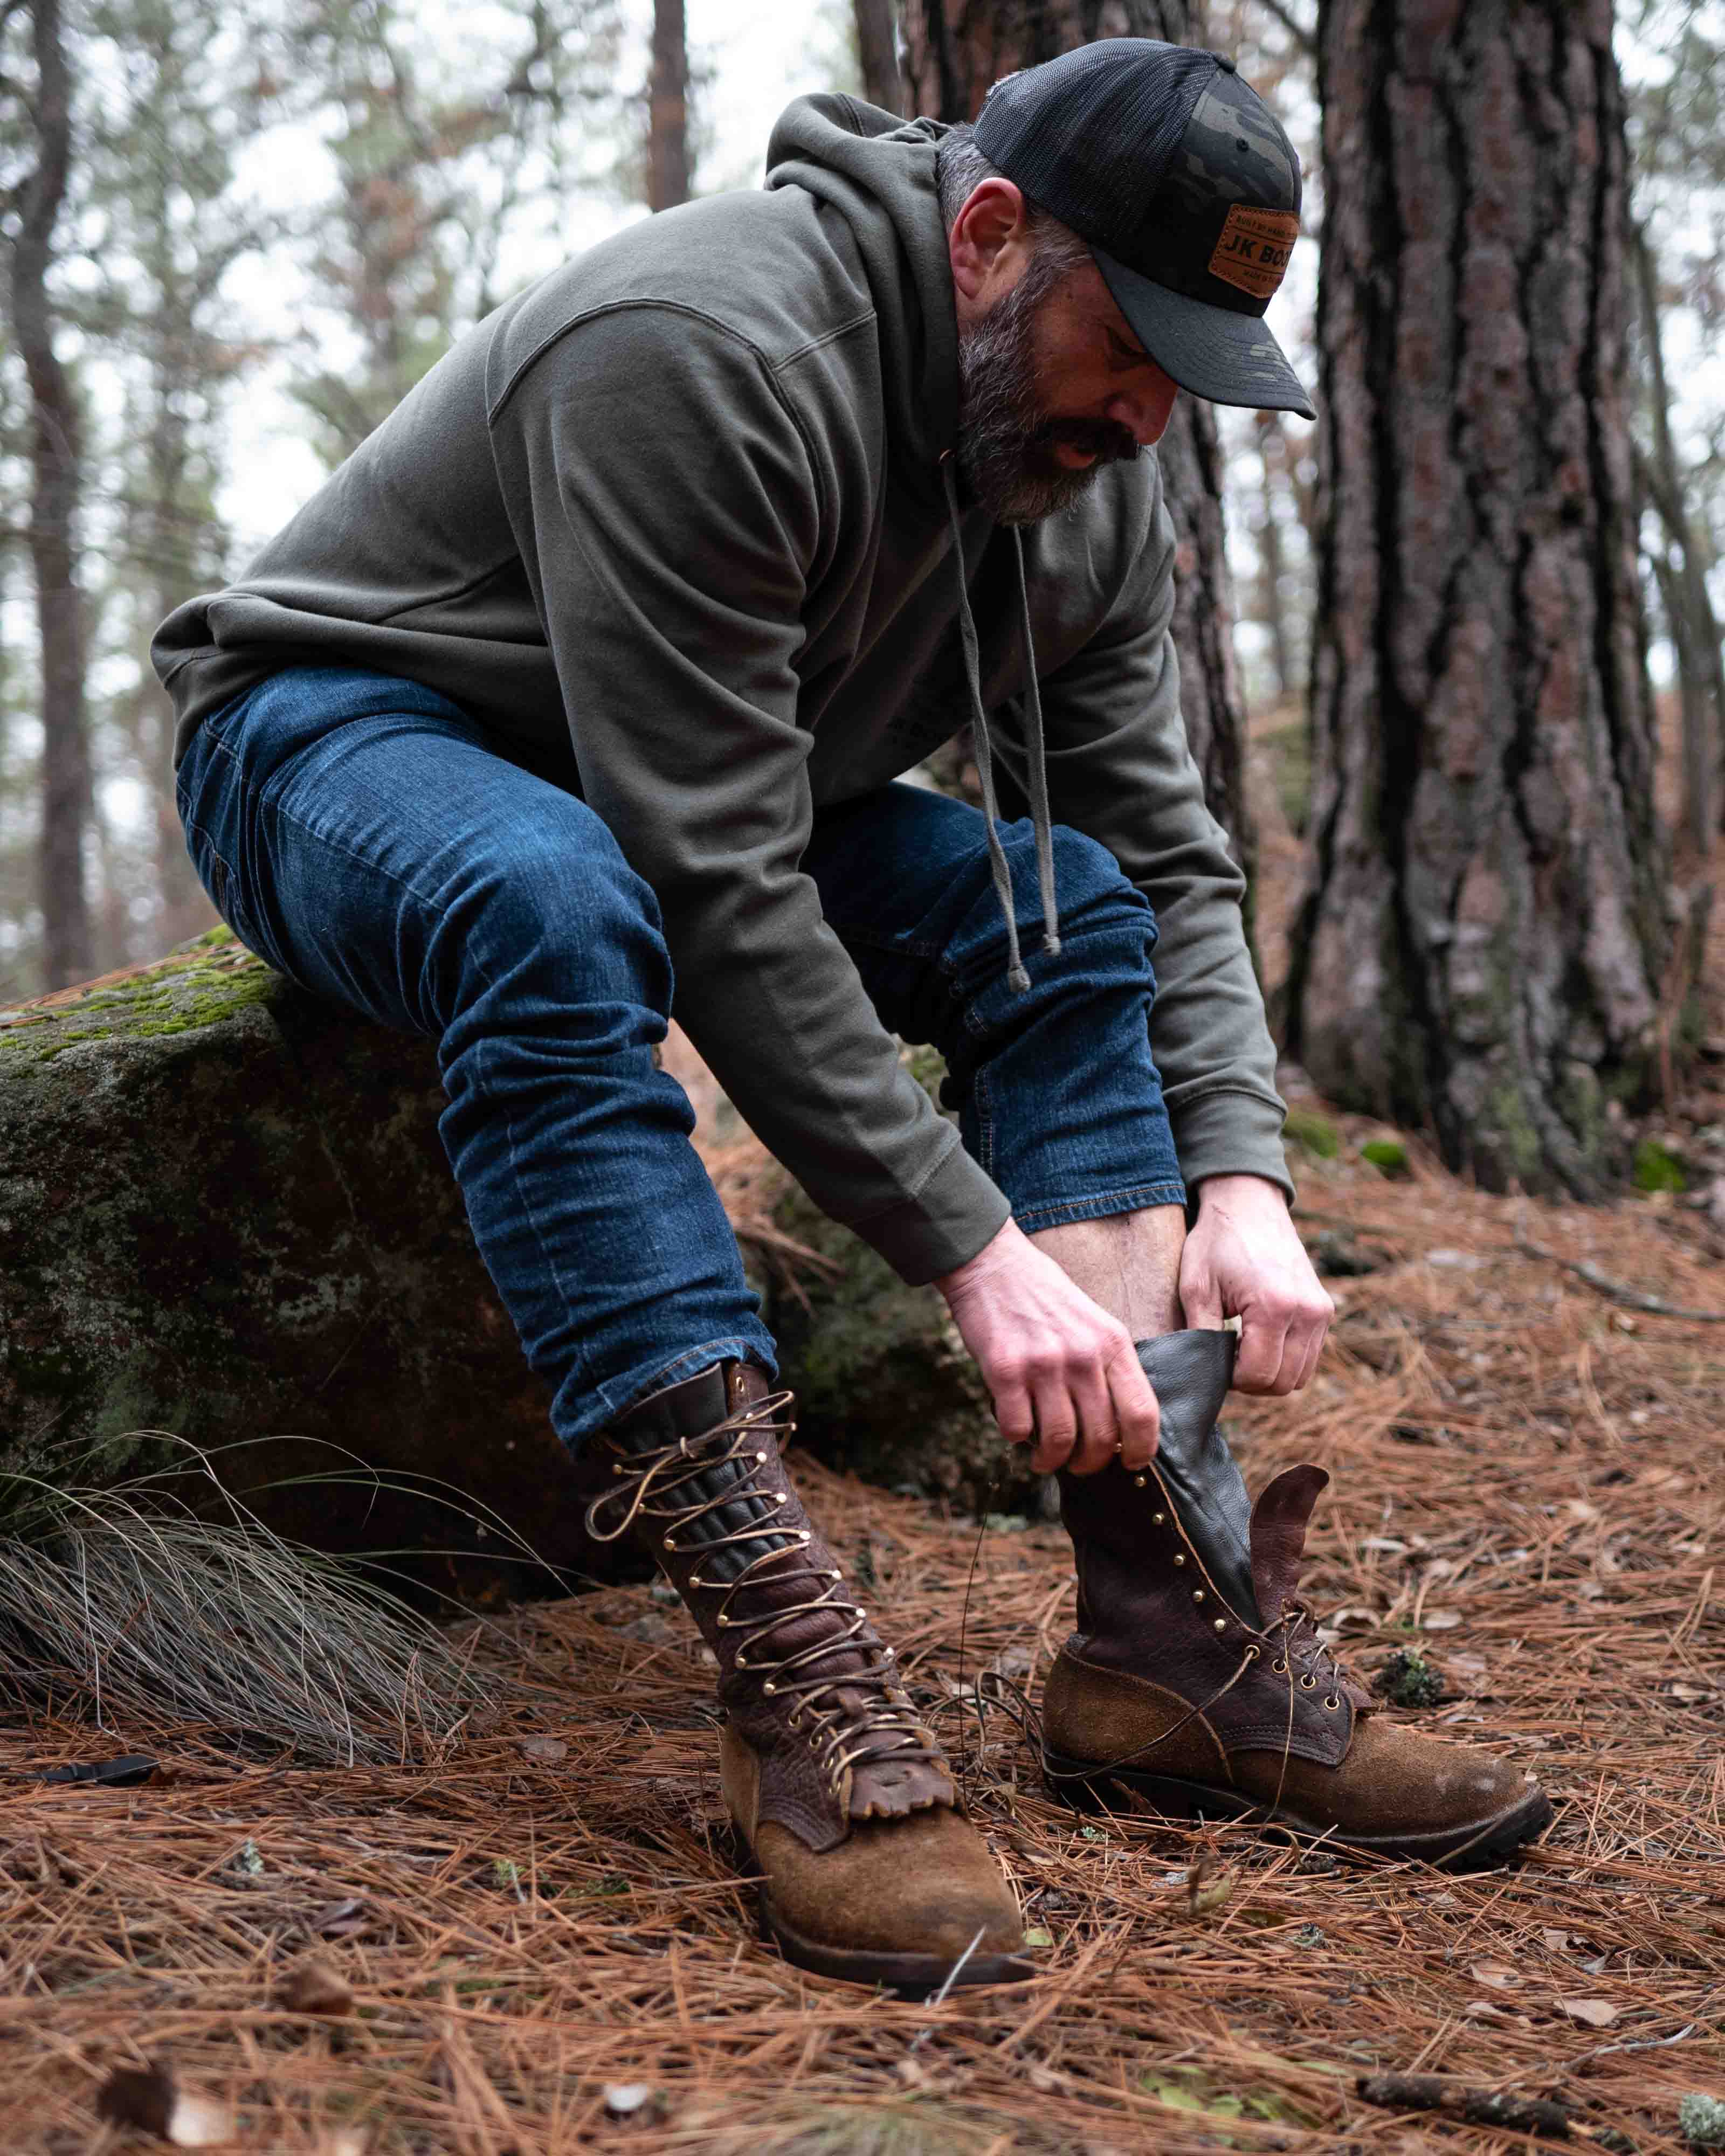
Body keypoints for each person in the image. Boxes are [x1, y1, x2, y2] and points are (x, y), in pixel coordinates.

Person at [160, 38, 1549, 1997]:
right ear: (988, 237)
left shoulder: (1087, 484)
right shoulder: (702, 351)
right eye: (1129, 343)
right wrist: (970, 1249)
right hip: (349, 739)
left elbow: (1155, 862)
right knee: (556, 904)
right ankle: (791, 1669)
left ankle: (1172, 1646)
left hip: (694, 789)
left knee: (1052, 911)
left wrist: (1243, 1167)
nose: (1152, 413)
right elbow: (708, 883)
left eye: (1196, 370)